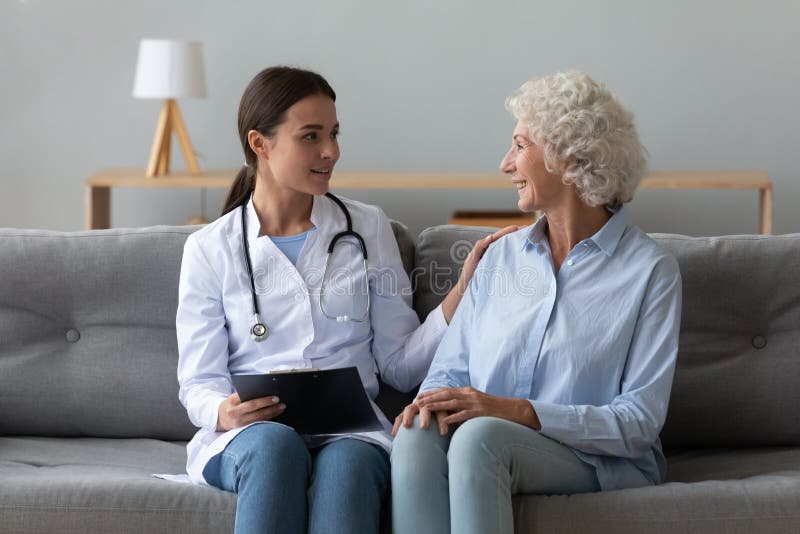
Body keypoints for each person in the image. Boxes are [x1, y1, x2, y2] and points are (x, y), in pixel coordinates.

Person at [175, 66, 515, 534]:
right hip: (250, 435)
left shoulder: (367, 227)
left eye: (333, 134)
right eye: (310, 137)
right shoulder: (210, 248)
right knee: (276, 448)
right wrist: (221, 411)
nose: (331, 151)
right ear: (260, 143)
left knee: (350, 467)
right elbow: (198, 380)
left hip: (350, 431)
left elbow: (398, 365)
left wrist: (461, 292)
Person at [391, 70, 683, 534]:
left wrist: (519, 412)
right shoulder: (498, 258)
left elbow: (638, 423)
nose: (506, 163)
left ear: (569, 155)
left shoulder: (650, 272)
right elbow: (450, 371)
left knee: (480, 439)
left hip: (595, 460)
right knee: (415, 433)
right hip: (488, 441)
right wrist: (430, 402)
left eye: (521, 145)